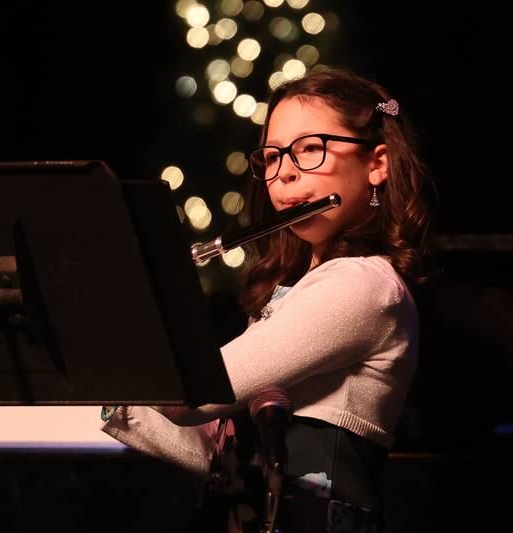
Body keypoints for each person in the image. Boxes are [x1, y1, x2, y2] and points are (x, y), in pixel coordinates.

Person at [101, 68, 434, 532]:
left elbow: (197, 396)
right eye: (273, 157)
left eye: (310, 149)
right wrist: (100, 386)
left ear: (377, 163)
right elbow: (224, 453)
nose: (284, 173)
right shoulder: (298, 289)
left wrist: (144, 290)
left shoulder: (365, 285)